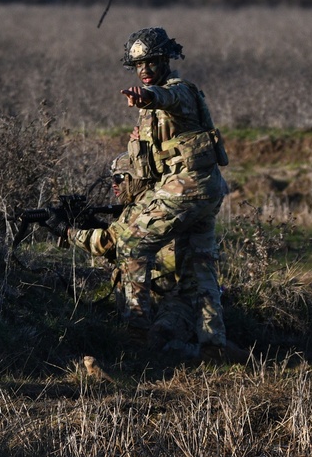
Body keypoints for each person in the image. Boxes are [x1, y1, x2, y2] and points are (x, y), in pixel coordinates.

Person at [117, 27, 244, 363]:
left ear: (166, 61)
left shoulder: (178, 90)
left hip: (185, 190)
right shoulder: (149, 111)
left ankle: (136, 331)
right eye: (138, 65)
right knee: (199, 268)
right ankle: (214, 344)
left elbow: (167, 98)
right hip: (204, 193)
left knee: (131, 243)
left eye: (151, 62)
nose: (144, 70)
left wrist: (148, 97)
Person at [65, 153, 198, 360]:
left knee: (158, 344)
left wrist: (68, 233)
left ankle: (222, 355)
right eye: (113, 179)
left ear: (137, 178)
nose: (114, 185)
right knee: (142, 343)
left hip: (178, 298)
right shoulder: (142, 202)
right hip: (158, 298)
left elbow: (106, 243)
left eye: (119, 178)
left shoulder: (149, 205)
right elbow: (120, 244)